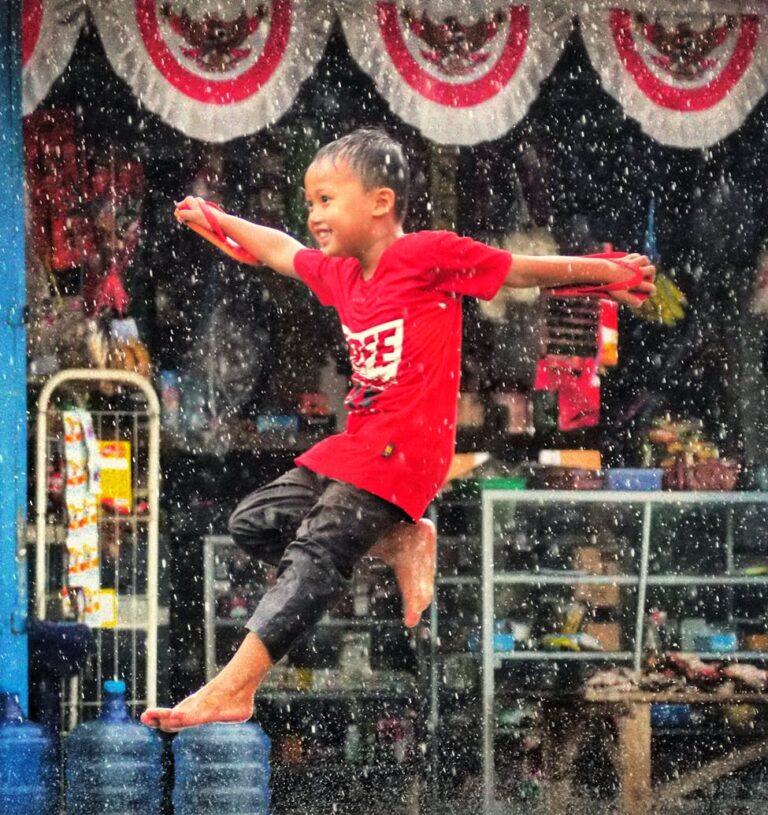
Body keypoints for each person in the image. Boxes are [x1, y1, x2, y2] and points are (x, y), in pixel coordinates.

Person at [141, 127, 654, 732]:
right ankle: (400, 540)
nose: (314, 215)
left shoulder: (423, 255)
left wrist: (606, 273)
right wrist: (221, 219)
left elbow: (519, 271)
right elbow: (280, 250)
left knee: (319, 547)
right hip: (357, 445)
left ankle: (233, 687)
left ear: (380, 203)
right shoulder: (343, 275)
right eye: (310, 202)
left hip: (405, 450)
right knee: (254, 524)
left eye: (326, 200)